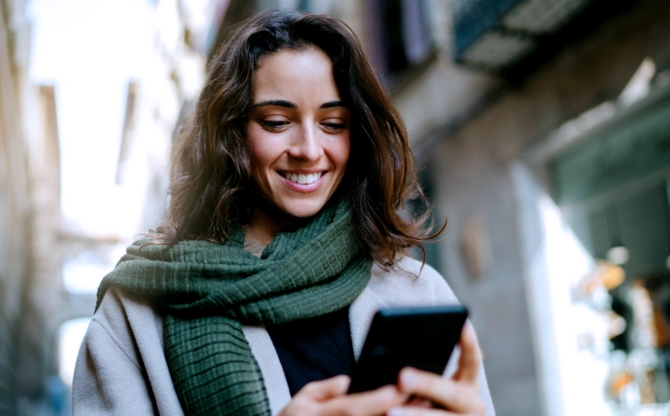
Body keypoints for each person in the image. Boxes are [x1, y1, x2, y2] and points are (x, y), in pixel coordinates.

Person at [73, 9, 495, 416]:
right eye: (276, 122)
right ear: (230, 134)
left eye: (333, 124)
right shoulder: (135, 313)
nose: (310, 150)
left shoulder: (418, 292)